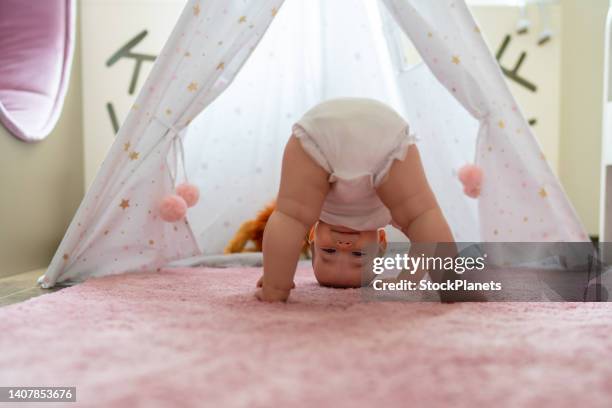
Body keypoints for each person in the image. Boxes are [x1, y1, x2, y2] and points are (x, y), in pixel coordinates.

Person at [256, 97, 454, 302]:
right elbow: (425, 237)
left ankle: (275, 289)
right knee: (420, 216)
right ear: (382, 242)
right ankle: (452, 285)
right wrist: (408, 280)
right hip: (383, 132)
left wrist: (275, 273)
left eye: (329, 251)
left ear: (312, 234)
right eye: (358, 255)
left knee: (292, 216)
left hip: (321, 133)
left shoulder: (317, 208)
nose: (343, 244)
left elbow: (288, 224)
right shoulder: (387, 213)